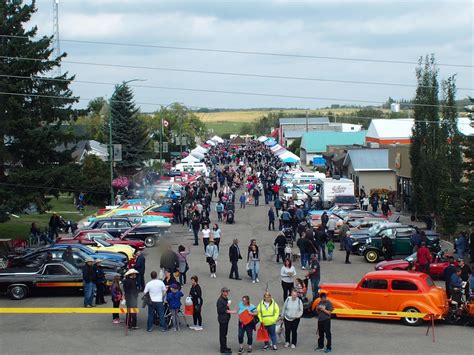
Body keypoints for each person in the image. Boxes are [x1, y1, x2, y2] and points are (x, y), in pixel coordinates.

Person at [217, 287, 236, 354]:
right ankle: (223, 349)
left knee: (225, 334)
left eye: (227, 291)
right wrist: (227, 305)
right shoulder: (220, 300)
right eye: (226, 291)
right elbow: (220, 310)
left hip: (226, 319)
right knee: (222, 335)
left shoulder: (225, 299)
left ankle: (224, 347)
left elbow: (225, 309)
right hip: (222, 320)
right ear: (222, 292)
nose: (227, 293)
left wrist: (229, 310)